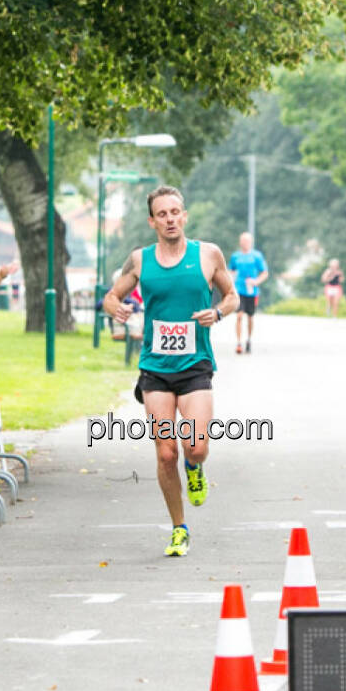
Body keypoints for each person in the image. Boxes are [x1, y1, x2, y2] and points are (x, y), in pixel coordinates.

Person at [103, 186, 238, 557]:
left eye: (175, 212)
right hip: (155, 368)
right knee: (165, 454)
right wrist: (115, 307)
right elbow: (111, 296)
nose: (170, 219)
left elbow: (232, 295)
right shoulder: (140, 260)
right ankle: (179, 528)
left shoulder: (208, 254)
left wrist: (220, 312)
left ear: (184, 216)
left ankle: (195, 469)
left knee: (196, 447)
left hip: (195, 365)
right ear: (152, 221)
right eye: (162, 214)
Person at [228, 231, 268, 354]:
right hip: (239, 289)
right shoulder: (235, 256)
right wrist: (229, 283)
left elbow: (265, 272)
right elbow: (230, 271)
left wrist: (256, 281)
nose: (244, 243)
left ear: (251, 242)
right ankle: (239, 343)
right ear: (240, 242)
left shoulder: (257, 256)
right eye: (242, 241)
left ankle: (248, 340)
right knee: (239, 316)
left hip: (252, 291)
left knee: (250, 317)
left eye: (247, 241)